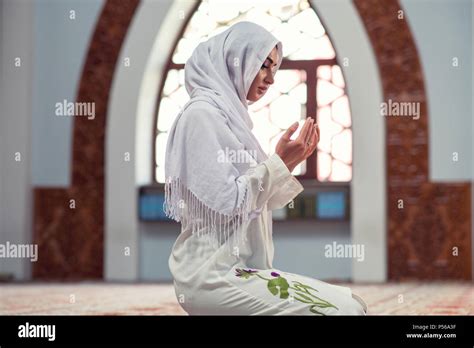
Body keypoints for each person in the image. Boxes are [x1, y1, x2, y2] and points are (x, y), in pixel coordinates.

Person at [164, 21, 367, 315]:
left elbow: (259, 201)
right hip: (210, 277)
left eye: (274, 68)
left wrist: (289, 162)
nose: (271, 78)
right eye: (263, 65)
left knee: (352, 303)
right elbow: (229, 202)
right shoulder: (201, 116)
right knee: (342, 313)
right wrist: (278, 163)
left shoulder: (234, 121)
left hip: (245, 270)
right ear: (236, 58)